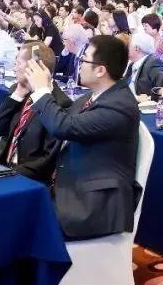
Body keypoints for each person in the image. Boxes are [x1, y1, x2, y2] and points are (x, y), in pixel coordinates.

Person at [21, 35, 142, 240]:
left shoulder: (120, 105)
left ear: (100, 70)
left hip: (94, 203)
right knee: (9, 208)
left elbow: (63, 127)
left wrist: (41, 90)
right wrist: (47, 87)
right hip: (69, 186)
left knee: (19, 224)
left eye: (84, 60)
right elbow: (63, 117)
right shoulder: (93, 96)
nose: (79, 65)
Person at [0, 41, 72, 183]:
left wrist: (9, 174)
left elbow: (46, 161)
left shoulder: (59, 103)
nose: (14, 68)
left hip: (25, 177)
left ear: (35, 68)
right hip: (1, 164)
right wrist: (17, 95)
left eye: (18, 63)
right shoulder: (18, 90)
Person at [124, 31, 163, 100]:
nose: (126, 48)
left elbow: (162, 88)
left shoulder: (153, 63)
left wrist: (148, 98)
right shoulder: (132, 65)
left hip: (144, 105)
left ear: (136, 48)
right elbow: (124, 86)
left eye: (129, 46)